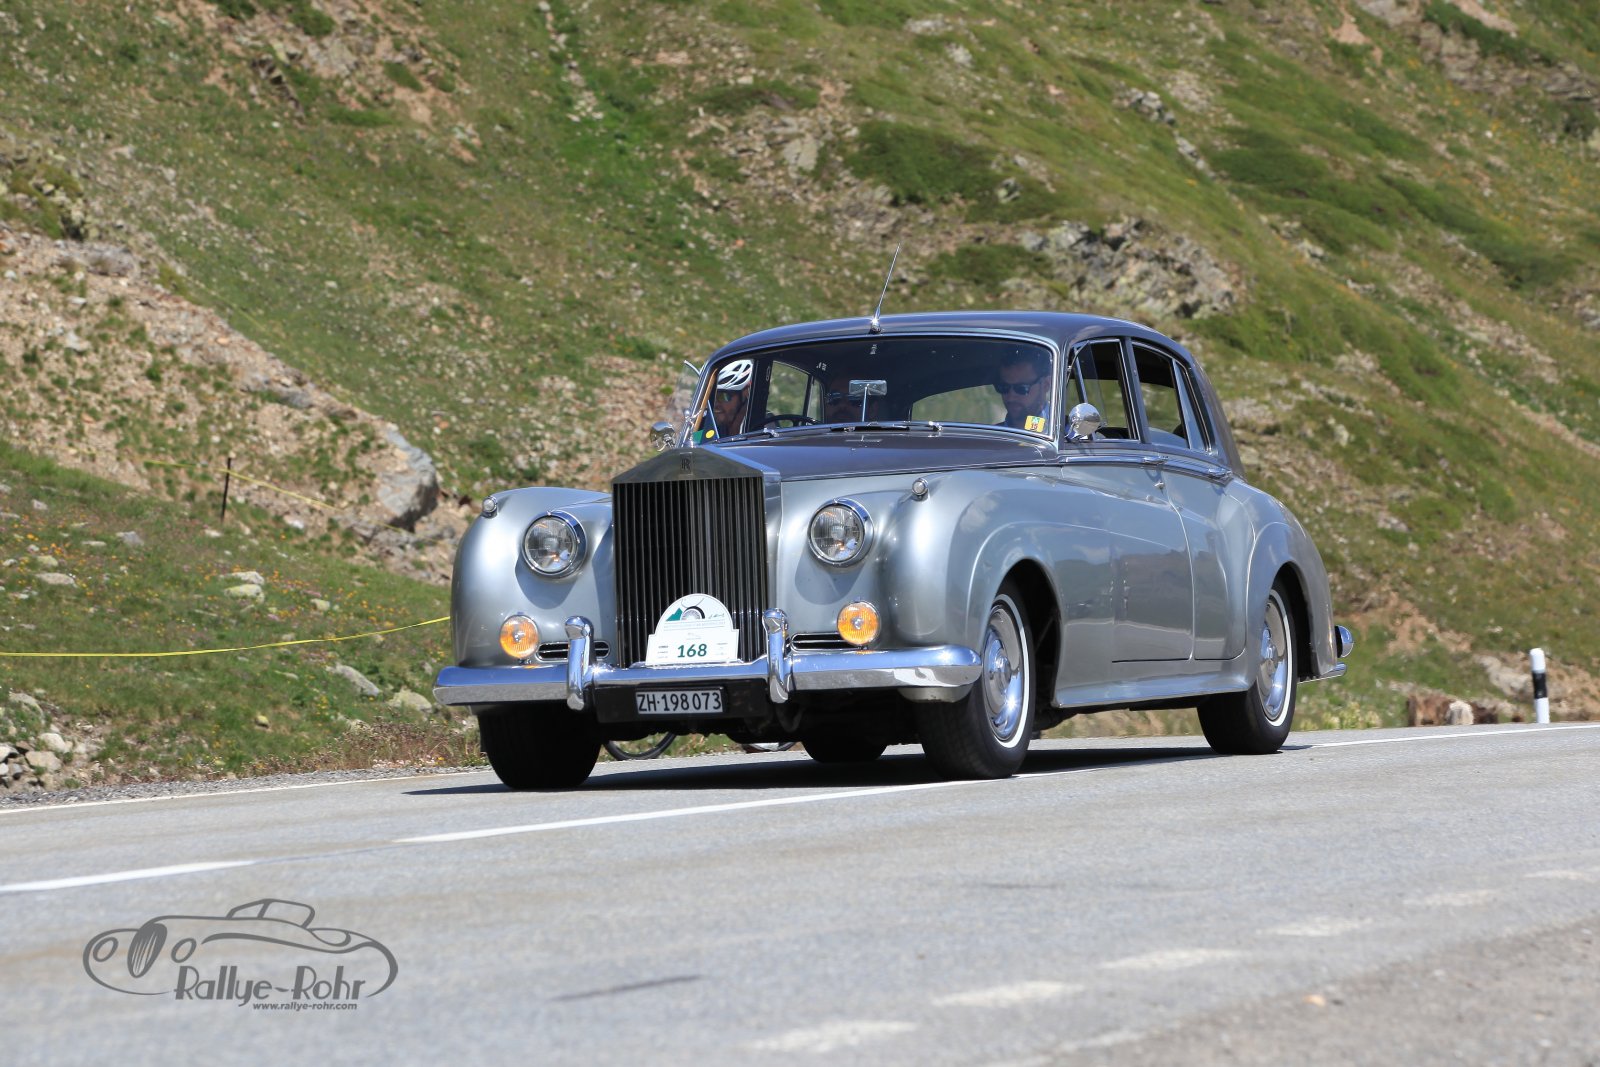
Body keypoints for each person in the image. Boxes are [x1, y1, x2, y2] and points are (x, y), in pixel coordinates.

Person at [994, 349, 1051, 431]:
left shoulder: (1067, 433)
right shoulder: (991, 435)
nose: (1011, 397)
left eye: (1022, 388)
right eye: (1004, 387)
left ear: (1046, 384)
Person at [706, 358, 752, 438]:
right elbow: (695, 441)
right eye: (712, 396)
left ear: (746, 393)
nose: (715, 404)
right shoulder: (710, 427)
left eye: (723, 396)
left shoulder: (762, 429)